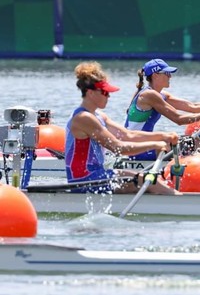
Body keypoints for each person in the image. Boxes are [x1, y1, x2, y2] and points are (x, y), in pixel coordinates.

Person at [65, 61, 180, 195]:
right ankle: (181, 202)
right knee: (148, 181)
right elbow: (118, 148)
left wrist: (164, 136)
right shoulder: (83, 118)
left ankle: (173, 199)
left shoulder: (99, 116)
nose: (108, 96)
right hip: (84, 180)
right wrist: (154, 144)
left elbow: (128, 135)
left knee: (151, 180)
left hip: (98, 175)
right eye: (104, 92)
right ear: (90, 93)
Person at [124, 58, 200, 160]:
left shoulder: (160, 95)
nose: (170, 76)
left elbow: (192, 106)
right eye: (167, 73)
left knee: (191, 142)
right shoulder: (149, 95)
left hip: (143, 146)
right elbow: (179, 119)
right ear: (155, 75)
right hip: (136, 150)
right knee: (193, 143)